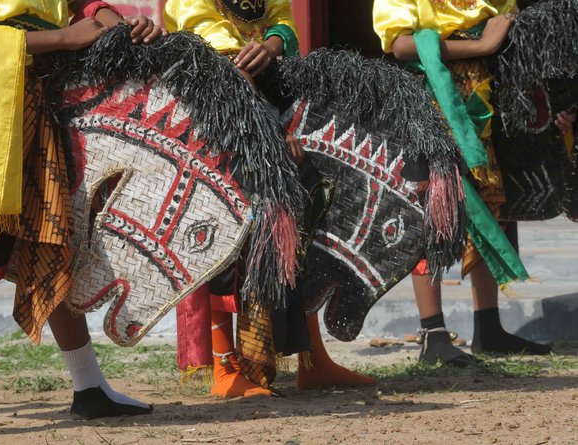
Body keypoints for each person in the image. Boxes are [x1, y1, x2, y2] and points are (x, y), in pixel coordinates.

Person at [0, 2, 165, 444]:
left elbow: (82, 6)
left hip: (39, 104)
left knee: (52, 243)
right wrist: (67, 38)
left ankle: (89, 388)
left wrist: (120, 26)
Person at [165, 0, 376, 398]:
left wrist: (275, 43)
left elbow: (282, 21)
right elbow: (225, 66)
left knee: (304, 229)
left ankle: (312, 358)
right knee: (225, 242)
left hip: (269, 110)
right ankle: (225, 366)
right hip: (215, 119)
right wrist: (271, 129)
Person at [372, 0, 573, 366]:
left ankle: (488, 327)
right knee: (433, 207)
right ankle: (433, 333)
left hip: (486, 90)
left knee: (492, 198)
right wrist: (482, 45)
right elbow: (400, 44)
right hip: (430, 91)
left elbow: (506, 24)